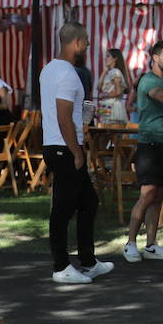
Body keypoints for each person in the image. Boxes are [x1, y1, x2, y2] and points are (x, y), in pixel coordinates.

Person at [42, 22, 113, 284]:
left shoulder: (49, 69)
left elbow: (63, 113)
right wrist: (76, 151)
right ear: (77, 43)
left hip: (57, 144)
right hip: (64, 147)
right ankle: (61, 267)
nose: (89, 44)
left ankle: (88, 261)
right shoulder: (67, 74)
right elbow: (63, 117)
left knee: (89, 202)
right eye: (86, 40)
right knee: (63, 208)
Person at [124, 41, 163, 264]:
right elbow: (160, 96)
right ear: (155, 58)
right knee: (146, 195)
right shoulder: (148, 81)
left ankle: (151, 245)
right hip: (150, 145)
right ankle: (130, 243)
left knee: (157, 199)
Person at [98, 48, 132, 124]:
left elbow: (118, 92)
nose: (105, 58)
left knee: (110, 132)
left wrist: (104, 95)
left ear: (115, 58)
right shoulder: (110, 72)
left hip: (112, 106)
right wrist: (103, 73)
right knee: (105, 131)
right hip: (107, 106)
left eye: (108, 56)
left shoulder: (115, 72)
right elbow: (99, 87)